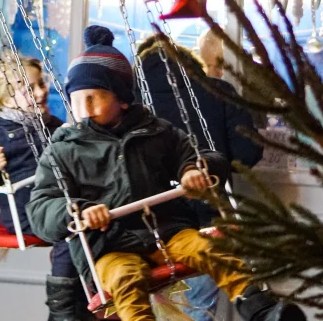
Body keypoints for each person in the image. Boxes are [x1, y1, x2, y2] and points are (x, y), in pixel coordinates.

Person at [27, 26, 306, 321]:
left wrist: (194, 170)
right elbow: (42, 205)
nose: (83, 108)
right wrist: (78, 212)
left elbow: (197, 155)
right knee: (126, 279)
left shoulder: (155, 131)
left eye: (94, 97)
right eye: (76, 98)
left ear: (122, 99)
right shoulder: (63, 149)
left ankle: (259, 307)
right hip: (109, 244)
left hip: (166, 232)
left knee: (209, 249)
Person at [137, 34, 263, 321]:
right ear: (189, 60)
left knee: (137, 307)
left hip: (144, 224)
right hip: (207, 217)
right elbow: (248, 152)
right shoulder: (217, 91)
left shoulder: (126, 100)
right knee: (197, 308)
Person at [0, 54, 93, 321]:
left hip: (59, 203)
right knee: (72, 231)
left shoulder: (51, 125)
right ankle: (63, 312)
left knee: (94, 226)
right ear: (7, 98)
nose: (41, 92)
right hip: (25, 212)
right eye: (29, 89)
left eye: (41, 84)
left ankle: (86, 305)